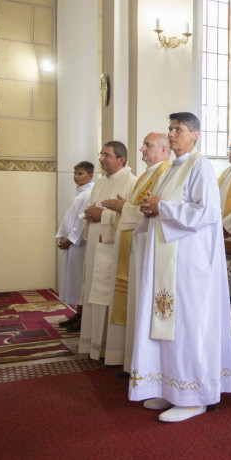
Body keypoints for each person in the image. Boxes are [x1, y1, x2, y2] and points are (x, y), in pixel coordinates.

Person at [130, 112, 231, 423]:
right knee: (169, 325)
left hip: (190, 265)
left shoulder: (200, 165)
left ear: (195, 134)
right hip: (169, 261)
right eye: (170, 128)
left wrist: (161, 206)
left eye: (178, 129)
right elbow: (167, 206)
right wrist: (150, 209)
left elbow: (208, 213)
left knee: (188, 326)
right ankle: (172, 388)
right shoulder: (172, 168)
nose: (172, 134)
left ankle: (194, 396)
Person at [100, 133, 170, 375]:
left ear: (163, 150)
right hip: (134, 247)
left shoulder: (164, 174)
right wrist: (125, 206)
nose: (141, 149)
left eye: (147, 145)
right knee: (132, 302)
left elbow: (152, 211)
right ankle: (129, 359)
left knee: (141, 304)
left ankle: (139, 364)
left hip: (146, 249)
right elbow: (138, 208)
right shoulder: (147, 175)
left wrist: (125, 207)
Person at [79, 141, 137, 359]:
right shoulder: (100, 182)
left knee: (109, 295)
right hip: (96, 246)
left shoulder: (131, 182)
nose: (101, 159)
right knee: (93, 293)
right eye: (101, 154)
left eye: (107, 155)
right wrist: (90, 214)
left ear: (121, 159)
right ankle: (94, 344)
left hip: (113, 250)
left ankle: (111, 349)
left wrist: (101, 215)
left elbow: (131, 216)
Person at [56, 161, 95, 330]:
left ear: (90, 176)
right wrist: (62, 236)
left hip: (81, 245)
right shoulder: (80, 193)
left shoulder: (89, 193)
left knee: (81, 281)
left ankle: (83, 318)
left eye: (80, 174)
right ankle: (78, 314)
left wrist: (71, 239)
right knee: (74, 280)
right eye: (75, 173)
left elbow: (82, 220)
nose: (76, 177)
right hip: (73, 244)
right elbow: (69, 217)